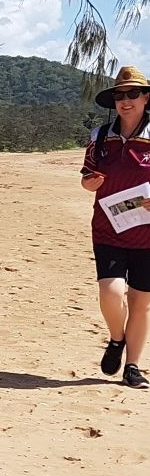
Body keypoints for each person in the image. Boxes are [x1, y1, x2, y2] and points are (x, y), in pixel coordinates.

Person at [80, 64, 150, 389]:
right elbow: (86, 180)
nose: (126, 101)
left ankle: (133, 367)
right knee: (111, 292)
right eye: (120, 95)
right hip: (108, 228)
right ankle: (116, 338)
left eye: (133, 94)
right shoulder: (100, 137)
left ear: (145, 98)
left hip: (147, 234)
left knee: (141, 301)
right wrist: (91, 183)